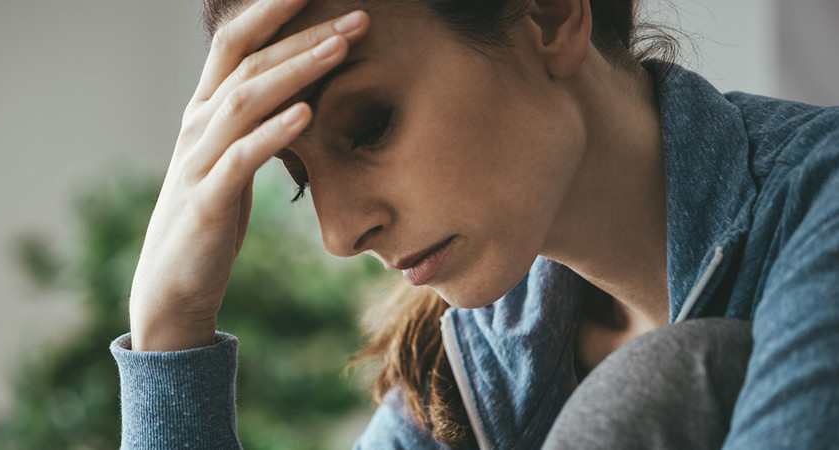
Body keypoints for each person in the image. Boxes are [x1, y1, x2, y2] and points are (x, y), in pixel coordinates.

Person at [109, 0, 839, 448]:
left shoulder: (821, 207)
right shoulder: (471, 361)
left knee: (672, 376)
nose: (338, 236)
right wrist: (173, 328)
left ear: (549, 14)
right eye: (300, 181)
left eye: (369, 125)